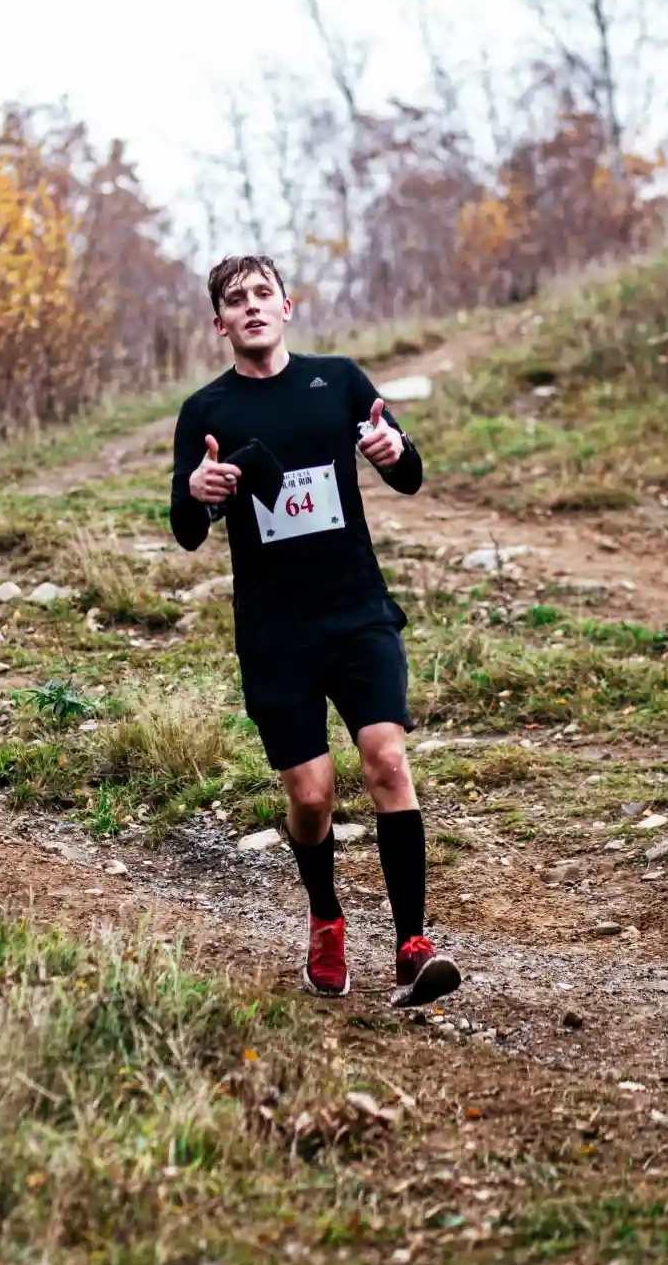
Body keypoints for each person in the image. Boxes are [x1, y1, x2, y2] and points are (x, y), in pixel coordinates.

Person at [169, 252, 461, 1007]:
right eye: (237, 301)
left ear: (287, 306)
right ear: (220, 323)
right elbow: (186, 529)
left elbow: (408, 472)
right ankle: (326, 917)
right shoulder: (208, 411)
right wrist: (200, 494)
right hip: (276, 633)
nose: (253, 307)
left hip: (356, 610)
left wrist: (397, 451)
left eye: (264, 293)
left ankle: (411, 945)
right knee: (312, 795)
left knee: (387, 759)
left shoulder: (339, 381)